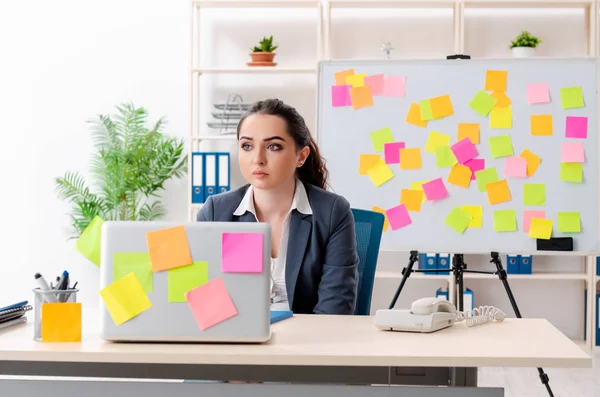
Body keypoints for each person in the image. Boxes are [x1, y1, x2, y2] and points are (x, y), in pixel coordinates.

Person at [196, 98, 359, 315]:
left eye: (273, 146)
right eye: (247, 146)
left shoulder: (331, 212)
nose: (258, 159)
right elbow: (202, 298)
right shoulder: (216, 212)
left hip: (309, 342)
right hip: (238, 339)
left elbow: (335, 307)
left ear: (301, 156)